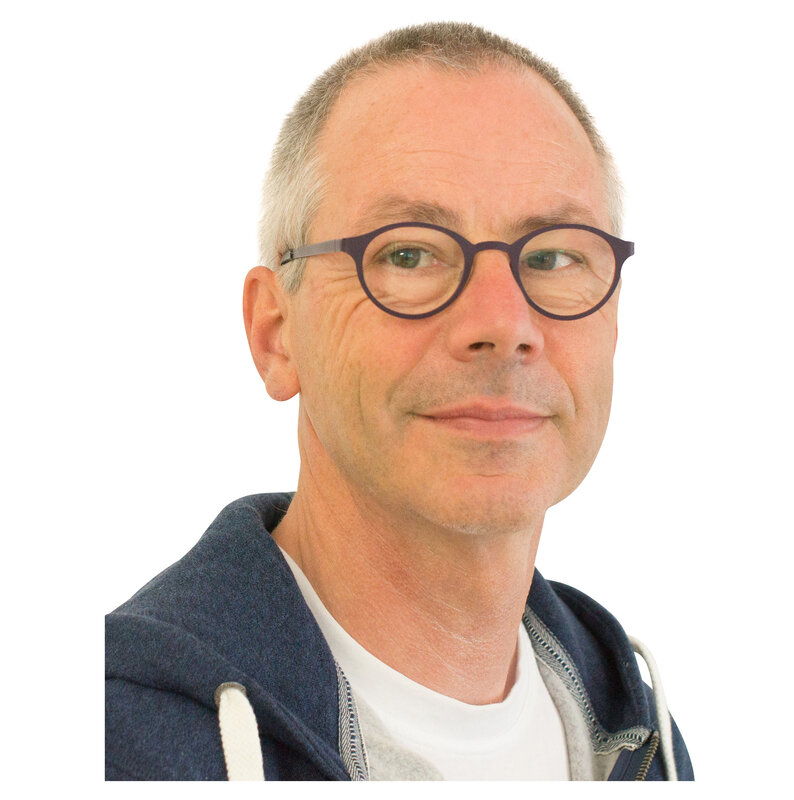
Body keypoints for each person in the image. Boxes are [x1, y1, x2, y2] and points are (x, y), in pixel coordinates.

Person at [105, 22, 694, 781]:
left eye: (553, 256)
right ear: (276, 334)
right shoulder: (100, 743)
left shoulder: (642, 735)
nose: (503, 324)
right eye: (409, 253)